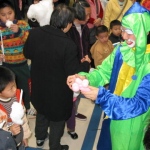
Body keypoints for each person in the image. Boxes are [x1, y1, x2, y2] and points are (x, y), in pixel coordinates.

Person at [67, 2, 150, 150]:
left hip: (136, 123)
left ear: (142, 31)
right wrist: (86, 78)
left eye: (129, 31)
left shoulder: (148, 64)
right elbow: (103, 72)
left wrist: (102, 97)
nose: (124, 36)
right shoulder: (121, 51)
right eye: (123, 30)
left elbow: (140, 104)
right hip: (113, 115)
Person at [23, 4, 90, 150]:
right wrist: (86, 65)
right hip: (58, 93)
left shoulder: (35, 33)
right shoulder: (68, 44)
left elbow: (27, 54)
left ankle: (40, 138)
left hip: (39, 87)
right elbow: (74, 73)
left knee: (41, 111)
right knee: (57, 120)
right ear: (66, 24)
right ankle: (55, 146)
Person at [0, 0, 36, 115]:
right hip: (6, 66)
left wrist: (19, 31)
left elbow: (31, 42)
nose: (7, 17)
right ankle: (12, 109)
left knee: (24, 87)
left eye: (9, 13)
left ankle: (28, 106)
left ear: (14, 12)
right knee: (9, 89)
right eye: (3, 15)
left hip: (22, 63)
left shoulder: (23, 25)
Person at [66, 0, 91, 122]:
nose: (89, 17)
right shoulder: (68, 29)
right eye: (86, 15)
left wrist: (86, 57)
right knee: (70, 95)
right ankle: (68, 116)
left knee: (78, 92)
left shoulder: (85, 27)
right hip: (72, 68)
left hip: (82, 65)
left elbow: (85, 44)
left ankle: (73, 112)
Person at [0, 66, 31, 149]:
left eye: (15, 85)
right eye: (11, 88)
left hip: (19, 136)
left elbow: (23, 118)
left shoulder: (17, 97)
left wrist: (25, 136)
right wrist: (10, 131)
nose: (15, 89)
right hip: (6, 142)